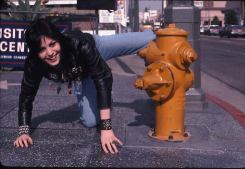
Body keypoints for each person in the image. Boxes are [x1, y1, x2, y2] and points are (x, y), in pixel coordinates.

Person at [13, 18, 156, 154]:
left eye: (52, 44)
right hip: (82, 74)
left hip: (96, 48)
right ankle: (104, 97)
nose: (50, 53)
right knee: (90, 121)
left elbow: (103, 77)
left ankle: (104, 93)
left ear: (58, 39)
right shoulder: (33, 63)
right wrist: (23, 132)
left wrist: (106, 129)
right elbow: (26, 96)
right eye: (42, 50)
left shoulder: (79, 44)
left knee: (151, 38)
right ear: (35, 52)